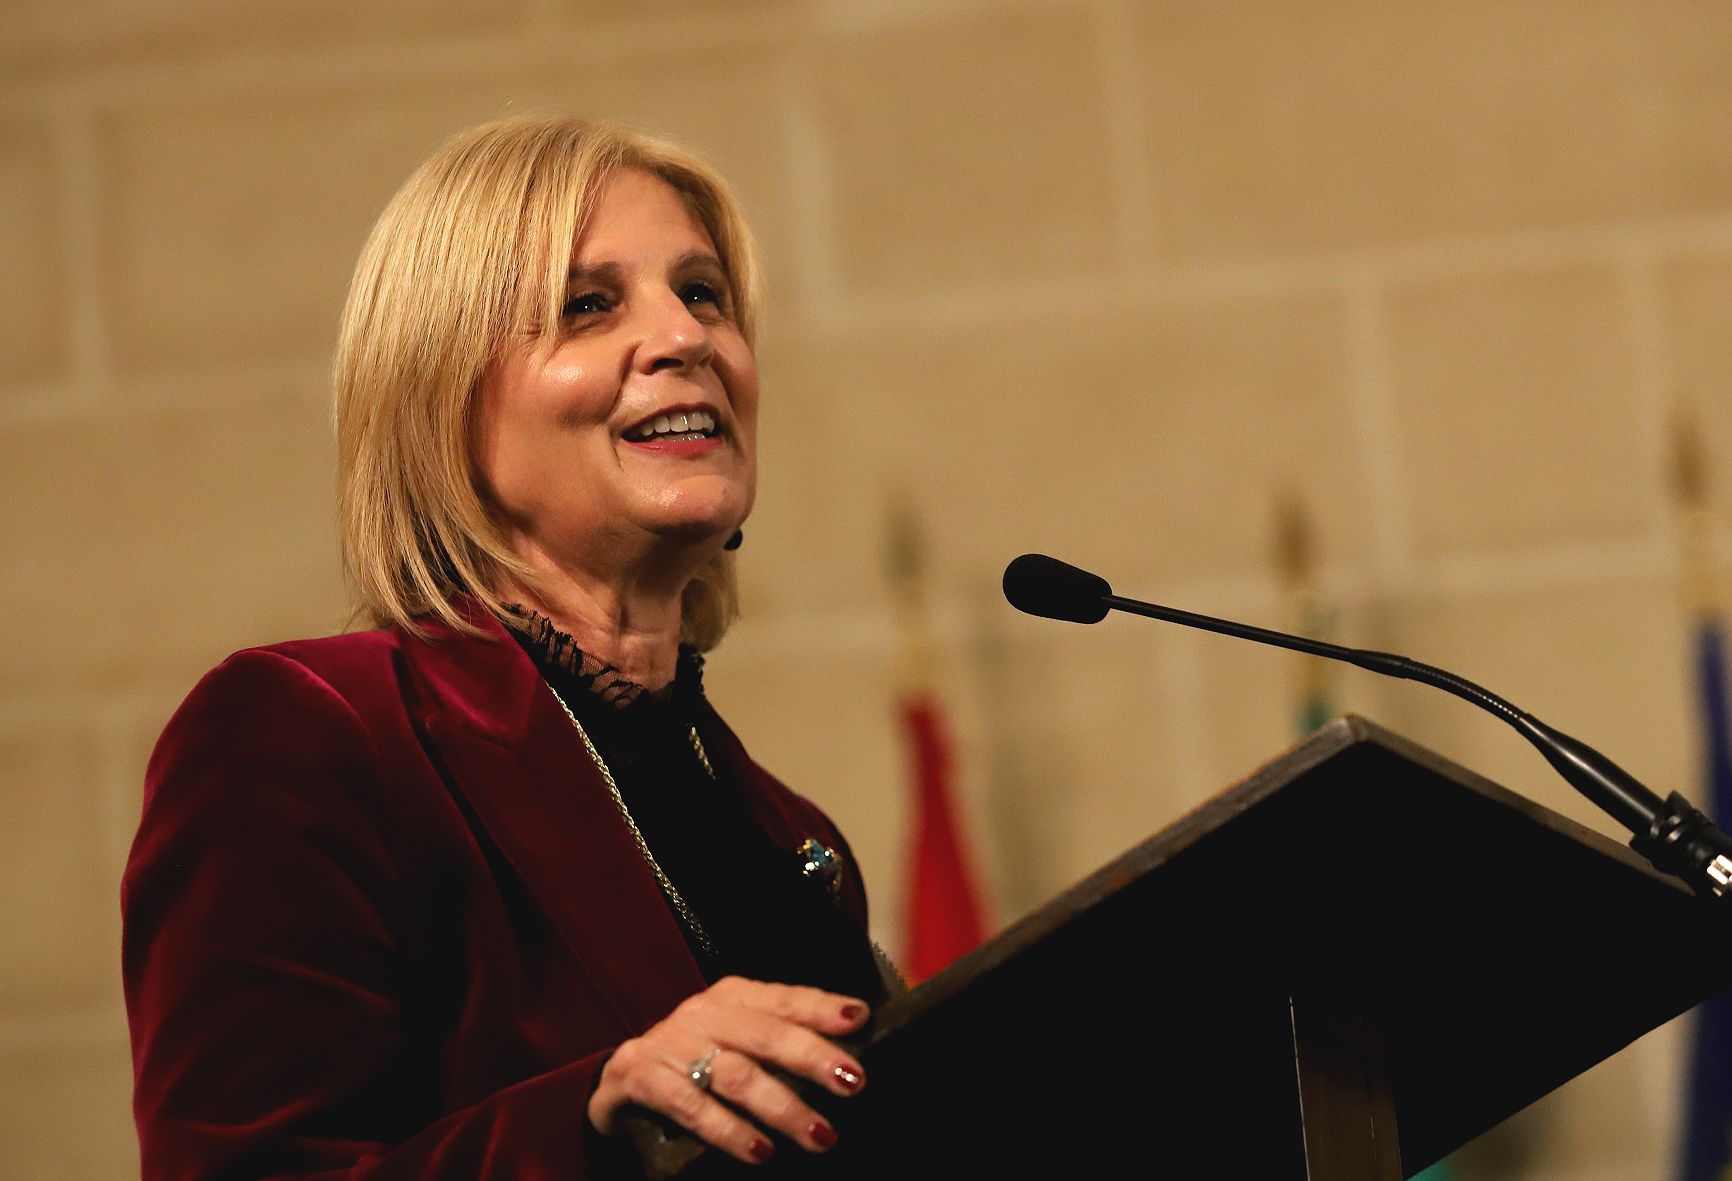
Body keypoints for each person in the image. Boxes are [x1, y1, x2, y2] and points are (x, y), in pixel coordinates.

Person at [121, 115, 895, 1180]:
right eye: (588, 304)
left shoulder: (792, 836)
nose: (685, 338)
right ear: (441, 395)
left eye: (703, 292)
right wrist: (588, 1123)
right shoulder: (304, 734)